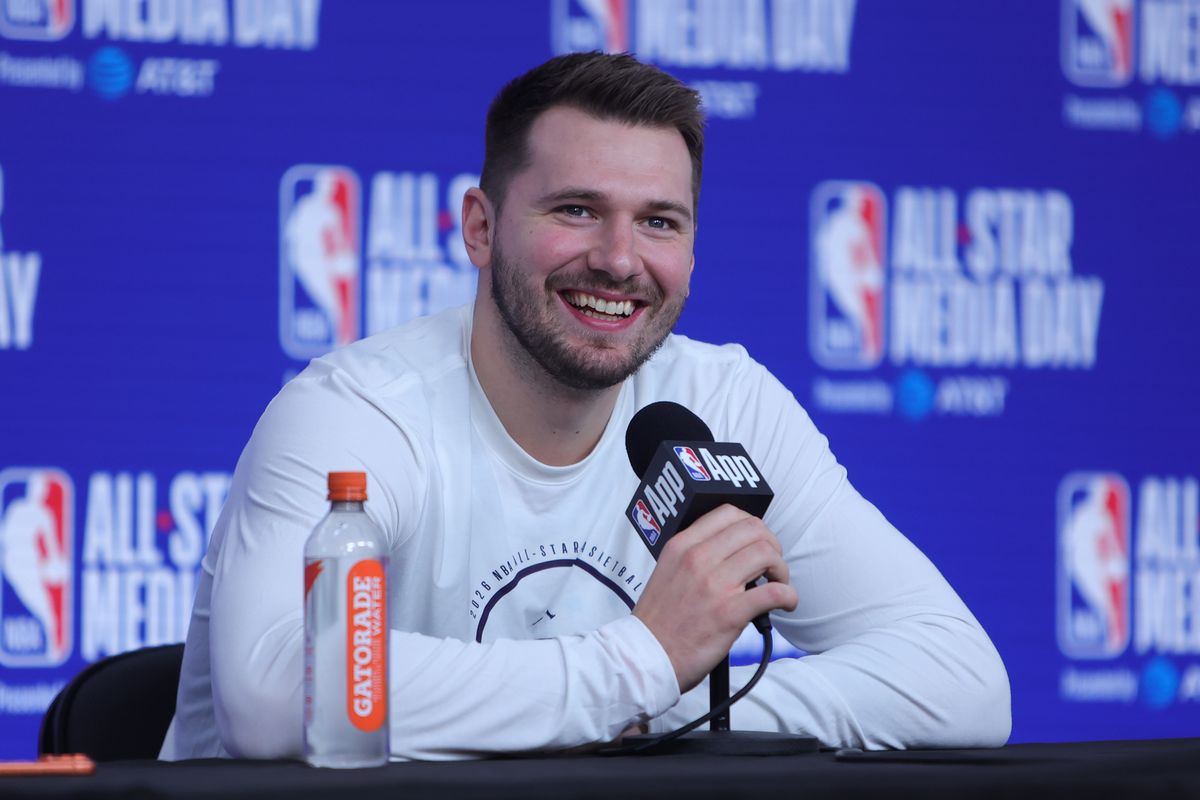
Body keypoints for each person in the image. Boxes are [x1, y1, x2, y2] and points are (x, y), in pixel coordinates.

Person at [160, 52, 1010, 761]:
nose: (618, 259)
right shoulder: (356, 412)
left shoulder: (725, 403)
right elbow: (276, 696)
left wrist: (666, 709)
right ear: (481, 228)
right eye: (577, 210)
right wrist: (639, 662)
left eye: (660, 223)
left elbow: (963, 687)